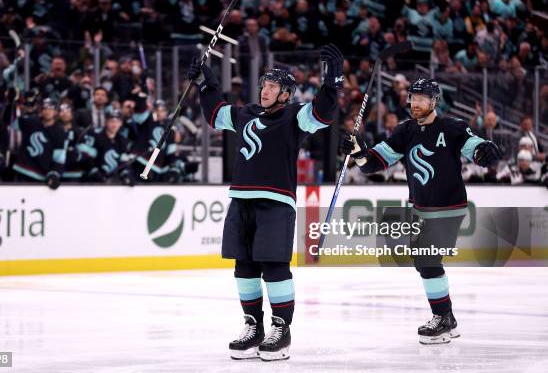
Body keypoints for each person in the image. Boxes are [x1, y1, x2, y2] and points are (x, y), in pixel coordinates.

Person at [188, 44, 343, 361]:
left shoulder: (294, 116)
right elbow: (216, 114)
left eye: (273, 86)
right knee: (244, 266)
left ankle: (281, 330)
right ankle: (253, 326)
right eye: (265, 85)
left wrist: (332, 82)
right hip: (241, 198)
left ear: (286, 93)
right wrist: (207, 85)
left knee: (274, 266)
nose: (266, 89)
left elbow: (323, 113)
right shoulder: (245, 113)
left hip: (276, 202)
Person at [339, 78, 502, 344]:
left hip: (448, 207)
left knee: (427, 260)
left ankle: (443, 317)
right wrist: (358, 152)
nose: (415, 103)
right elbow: (373, 164)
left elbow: (476, 148)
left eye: (421, 98)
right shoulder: (405, 131)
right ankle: (445, 318)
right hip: (421, 208)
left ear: (434, 101)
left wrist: (487, 150)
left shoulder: (452, 127)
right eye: (412, 98)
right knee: (425, 262)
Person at [12, 98, 66, 189]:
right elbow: (11, 123)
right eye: (45, 108)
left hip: (41, 176)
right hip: (22, 170)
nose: (47, 111)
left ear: (56, 112)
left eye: (50, 109)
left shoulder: (59, 132)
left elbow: (59, 158)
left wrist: (54, 174)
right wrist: (13, 105)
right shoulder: (31, 121)